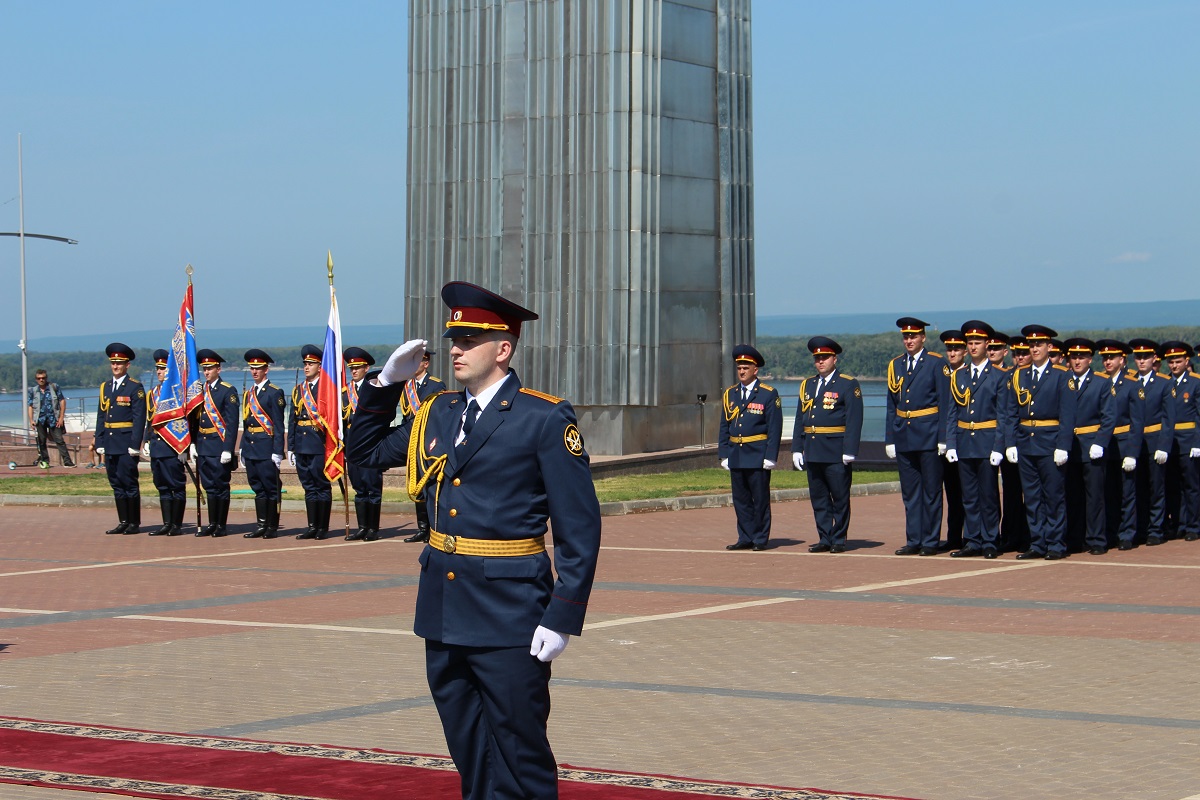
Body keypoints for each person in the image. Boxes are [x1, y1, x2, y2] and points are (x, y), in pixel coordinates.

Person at [345, 281, 601, 800]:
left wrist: (563, 614)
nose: (456, 349)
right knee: (468, 747)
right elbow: (364, 454)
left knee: (518, 748)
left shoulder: (544, 417)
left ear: (503, 349)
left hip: (511, 613)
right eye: (453, 339)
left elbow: (579, 526)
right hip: (444, 606)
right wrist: (385, 384)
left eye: (469, 340)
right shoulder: (440, 411)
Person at [1004, 324, 1076, 560]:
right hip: (1026, 441)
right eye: (1031, 345)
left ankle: (1055, 543)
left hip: (1050, 441)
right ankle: (1038, 542)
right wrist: (1010, 442)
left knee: (1053, 495)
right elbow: (1012, 411)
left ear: (1049, 347)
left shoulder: (1061, 376)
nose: (1034, 349)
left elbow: (1068, 414)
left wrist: (1063, 445)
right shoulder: (1019, 375)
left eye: (1039, 345)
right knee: (1032, 496)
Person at [885, 317, 950, 556]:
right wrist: (890, 437)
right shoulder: (896, 365)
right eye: (906, 337)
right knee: (911, 493)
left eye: (913, 336)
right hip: (904, 435)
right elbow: (892, 405)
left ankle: (930, 541)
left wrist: (944, 437)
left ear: (923, 337)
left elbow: (945, 403)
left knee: (931, 491)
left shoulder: (935, 363)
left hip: (929, 433)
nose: (909, 340)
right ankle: (914, 539)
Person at [791, 336, 862, 553]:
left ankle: (838, 538)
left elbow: (854, 419)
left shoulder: (847, 384)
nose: (820, 362)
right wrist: (796, 448)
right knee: (819, 498)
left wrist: (850, 450)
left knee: (839, 497)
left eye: (825, 357)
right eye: (817, 358)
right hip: (813, 449)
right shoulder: (808, 385)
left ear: (835, 359)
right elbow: (799, 418)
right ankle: (824, 537)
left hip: (835, 450)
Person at [944, 321, 1006, 559]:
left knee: (989, 494)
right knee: (968, 495)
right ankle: (972, 539)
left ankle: (990, 539)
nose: (973, 347)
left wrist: (999, 446)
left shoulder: (999, 376)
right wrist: (951, 443)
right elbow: (952, 413)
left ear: (987, 344)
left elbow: (1002, 414)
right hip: (964, 442)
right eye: (969, 343)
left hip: (987, 440)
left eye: (977, 342)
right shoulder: (959, 375)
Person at [719, 344, 783, 551]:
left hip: (757, 453)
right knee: (741, 499)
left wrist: (771, 456)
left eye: (746, 367)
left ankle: (760, 538)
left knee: (760, 499)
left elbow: (774, 427)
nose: (742, 371)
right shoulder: (730, 394)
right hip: (736, 453)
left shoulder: (767, 394)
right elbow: (724, 426)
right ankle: (745, 536)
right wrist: (723, 453)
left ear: (755, 370)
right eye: (739, 368)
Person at [1062, 338, 1111, 555]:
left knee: (1094, 497)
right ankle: (1075, 538)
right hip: (1069, 446)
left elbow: (1108, 417)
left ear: (1090, 359)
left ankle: (1096, 539)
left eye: (1082, 357)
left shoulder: (1101, 382)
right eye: (1074, 357)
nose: (1077, 361)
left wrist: (1100, 442)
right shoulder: (1063, 380)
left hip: (1091, 445)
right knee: (1072, 496)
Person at [1096, 340, 1143, 550]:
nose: (1107, 361)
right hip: (1105, 445)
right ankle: (1111, 531)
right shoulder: (1098, 382)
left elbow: (1137, 421)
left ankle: (1127, 533)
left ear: (1122, 360)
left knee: (1127, 492)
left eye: (1111, 358)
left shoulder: (1132, 384)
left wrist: (1132, 452)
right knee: (1108, 492)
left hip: (1124, 444)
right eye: (1105, 358)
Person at [94, 343, 146, 534]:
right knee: (116, 483)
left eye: (119, 363)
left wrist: (135, 444)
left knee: (129, 483)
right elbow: (101, 416)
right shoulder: (105, 387)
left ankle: (134, 523)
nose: (115, 366)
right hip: (109, 443)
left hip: (125, 444)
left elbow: (139, 418)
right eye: (113, 363)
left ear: (127, 365)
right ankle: (123, 521)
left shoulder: (134, 387)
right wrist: (99, 441)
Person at [397, 347, 447, 543]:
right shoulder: (406, 387)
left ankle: (433, 528)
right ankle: (422, 528)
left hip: (428, 442)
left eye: (417, 361)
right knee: (416, 483)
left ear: (425, 364)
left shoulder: (435, 385)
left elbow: (439, 416)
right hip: (412, 442)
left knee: (430, 484)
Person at [1129, 339, 1175, 546]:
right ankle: (1140, 527)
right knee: (1137, 487)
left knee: (1156, 487)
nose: (1141, 361)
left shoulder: (1164, 383)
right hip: (1135, 441)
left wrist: (1164, 445)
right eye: (1138, 357)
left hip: (1155, 439)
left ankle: (1156, 529)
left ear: (1154, 358)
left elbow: (1168, 417)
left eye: (1146, 357)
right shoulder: (1130, 381)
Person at [192, 349, 240, 537]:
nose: (206, 372)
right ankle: (212, 523)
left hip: (219, 446)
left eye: (210, 368)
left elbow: (232, 422)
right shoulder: (199, 392)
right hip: (204, 446)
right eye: (204, 369)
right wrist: (193, 443)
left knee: (220, 485)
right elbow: (195, 421)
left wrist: (228, 448)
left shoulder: (227, 391)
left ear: (218, 369)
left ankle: (221, 524)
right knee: (209, 486)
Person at [240, 349, 286, 539]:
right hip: (251, 448)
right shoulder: (248, 393)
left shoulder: (274, 393)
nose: (254, 372)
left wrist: (277, 451)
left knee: (270, 487)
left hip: (266, 448)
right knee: (257, 488)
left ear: (266, 370)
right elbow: (246, 422)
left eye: (258, 368)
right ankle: (261, 524)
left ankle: (272, 526)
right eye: (252, 368)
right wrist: (243, 447)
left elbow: (277, 424)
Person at [289, 344, 333, 539]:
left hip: (319, 444)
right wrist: (290, 447)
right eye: (305, 364)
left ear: (319, 366)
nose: (307, 367)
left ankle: (323, 527)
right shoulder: (298, 391)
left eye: (311, 364)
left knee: (321, 486)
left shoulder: (327, 390)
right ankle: (312, 526)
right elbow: (292, 420)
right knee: (308, 487)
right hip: (301, 444)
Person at [342, 347, 386, 541]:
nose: (354, 371)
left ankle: (373, 529)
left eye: (358, 367)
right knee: (359, 489)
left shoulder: (374, 388)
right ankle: (362, 527)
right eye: (351, 368)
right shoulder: (344, 392)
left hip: (370, 444)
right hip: (352, 445)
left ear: (366, 368)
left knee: (372, 488)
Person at [145, 350, 188, 536]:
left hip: (173, 447)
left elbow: (185, 421)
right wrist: (147, 440)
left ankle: (176, 524)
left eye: (163, 368)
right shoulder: (152, 394)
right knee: (161, 485)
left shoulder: (178, 394)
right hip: (157, 447)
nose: (159, 372)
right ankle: (166, 523)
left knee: (176, 485)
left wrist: (185, 446)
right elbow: (150, 420)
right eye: (157, 369)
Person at [1161, 341, 1200, 542]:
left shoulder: (1195, 382)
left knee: (1191, 486)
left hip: (1188, 440)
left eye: (1178, 361)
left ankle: (1194, 525)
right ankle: (1178, 524)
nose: (1174, 366)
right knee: (1173, 486)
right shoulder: (1164, 383)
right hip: (1169, 442)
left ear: (1187, 361)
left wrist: (1197, 442)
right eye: (1171, 362)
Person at [939, 329, 967, 551]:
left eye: (956, 348)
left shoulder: (968, 374)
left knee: (970, 493)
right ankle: (954, 536)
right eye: (949, 349)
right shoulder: (942, 373)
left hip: (966, 439)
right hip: (946, 442)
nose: (952, 352)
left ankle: (975, 535)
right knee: (953, 492)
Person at [27, 369, 74, 468]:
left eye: (43, 378)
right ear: (36, 379)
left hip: (54, 419)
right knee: (42, 441)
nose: (41, 380)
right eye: (39, 378)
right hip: (40, 419)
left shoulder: (54, 387)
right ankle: (45, 461)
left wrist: (61, 417)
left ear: (46, 378)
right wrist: (31, 420)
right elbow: (30, 406)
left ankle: (67, 462)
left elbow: (62, 401)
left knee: (59, 440)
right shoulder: (33, 391)